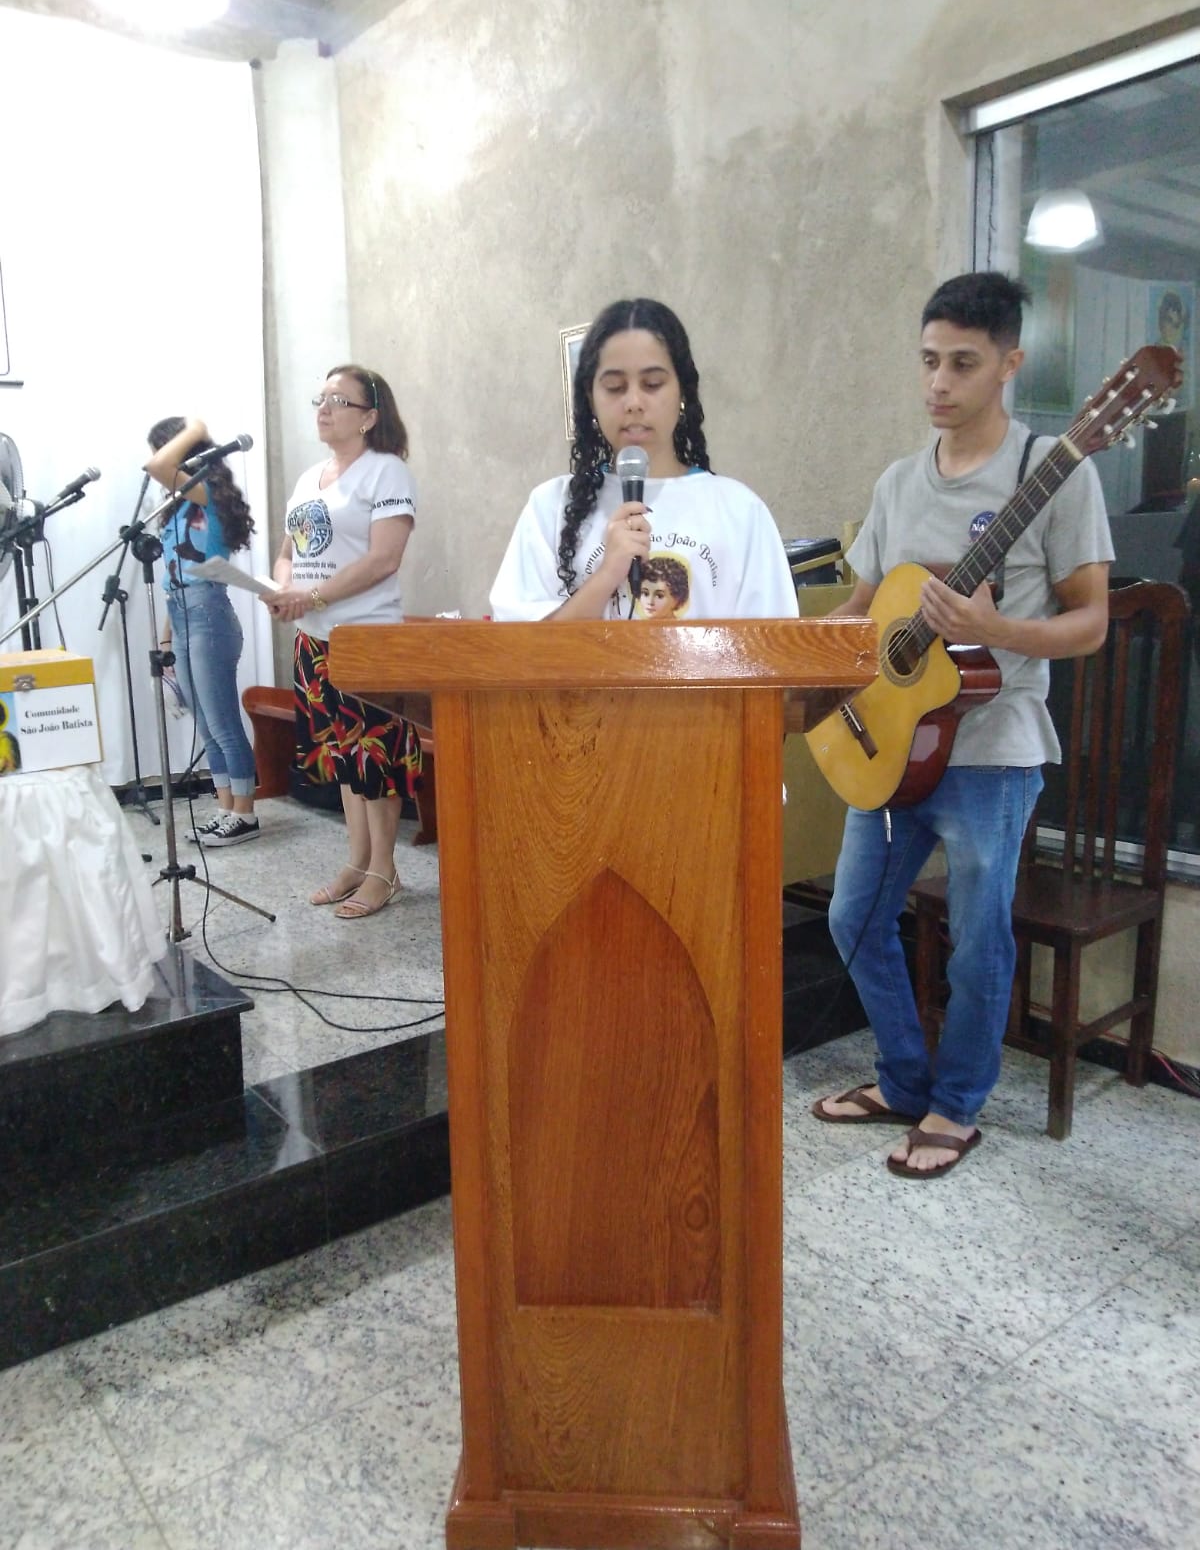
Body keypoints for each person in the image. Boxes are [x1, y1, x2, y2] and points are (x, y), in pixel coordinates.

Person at [812, 271, 1113, 1176]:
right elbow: (864, 608)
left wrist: (996, 629)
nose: (938, 383)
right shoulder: (899, 482)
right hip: (889, 745)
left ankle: (957, 1103)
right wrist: (800, 665)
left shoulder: (1054, 472)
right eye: (929, 361)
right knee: (852, 918)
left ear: (1010, 364)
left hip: (994, 748)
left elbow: (1091, 622)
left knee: (979, 938)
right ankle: (905, 1080)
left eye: (963, 364)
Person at [489, 298, 796, 621]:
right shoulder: (550, 508)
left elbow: (774, 643)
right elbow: (523, 647)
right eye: (614, 387)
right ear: (591, 399)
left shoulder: (740, 511)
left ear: (682, 392)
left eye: (652, 384)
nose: (634, 402)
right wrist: (607, 574)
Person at [262, 364, 421, 920]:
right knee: (342, 757)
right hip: (314, 640)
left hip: (366, 637)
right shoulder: (310, 478)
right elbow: (288, 551)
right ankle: (357, 861)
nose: (324, 409)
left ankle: (384, 870)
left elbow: (384, 559)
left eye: (339, 400)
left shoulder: (386, 472)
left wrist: (312, 596)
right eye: (321, 399)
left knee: (374, 758)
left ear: (369, 417)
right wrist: (283, 588)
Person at [145, 417, 260, 846]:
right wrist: (166, 638)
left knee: (223, 720)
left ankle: (245, 814)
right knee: (207, 726)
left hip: (208, 613)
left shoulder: (204, 491)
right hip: (182, 613)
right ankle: (227, 808)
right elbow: (175, 575)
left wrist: (195, 428)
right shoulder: (179, 505)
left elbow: (159, 465)